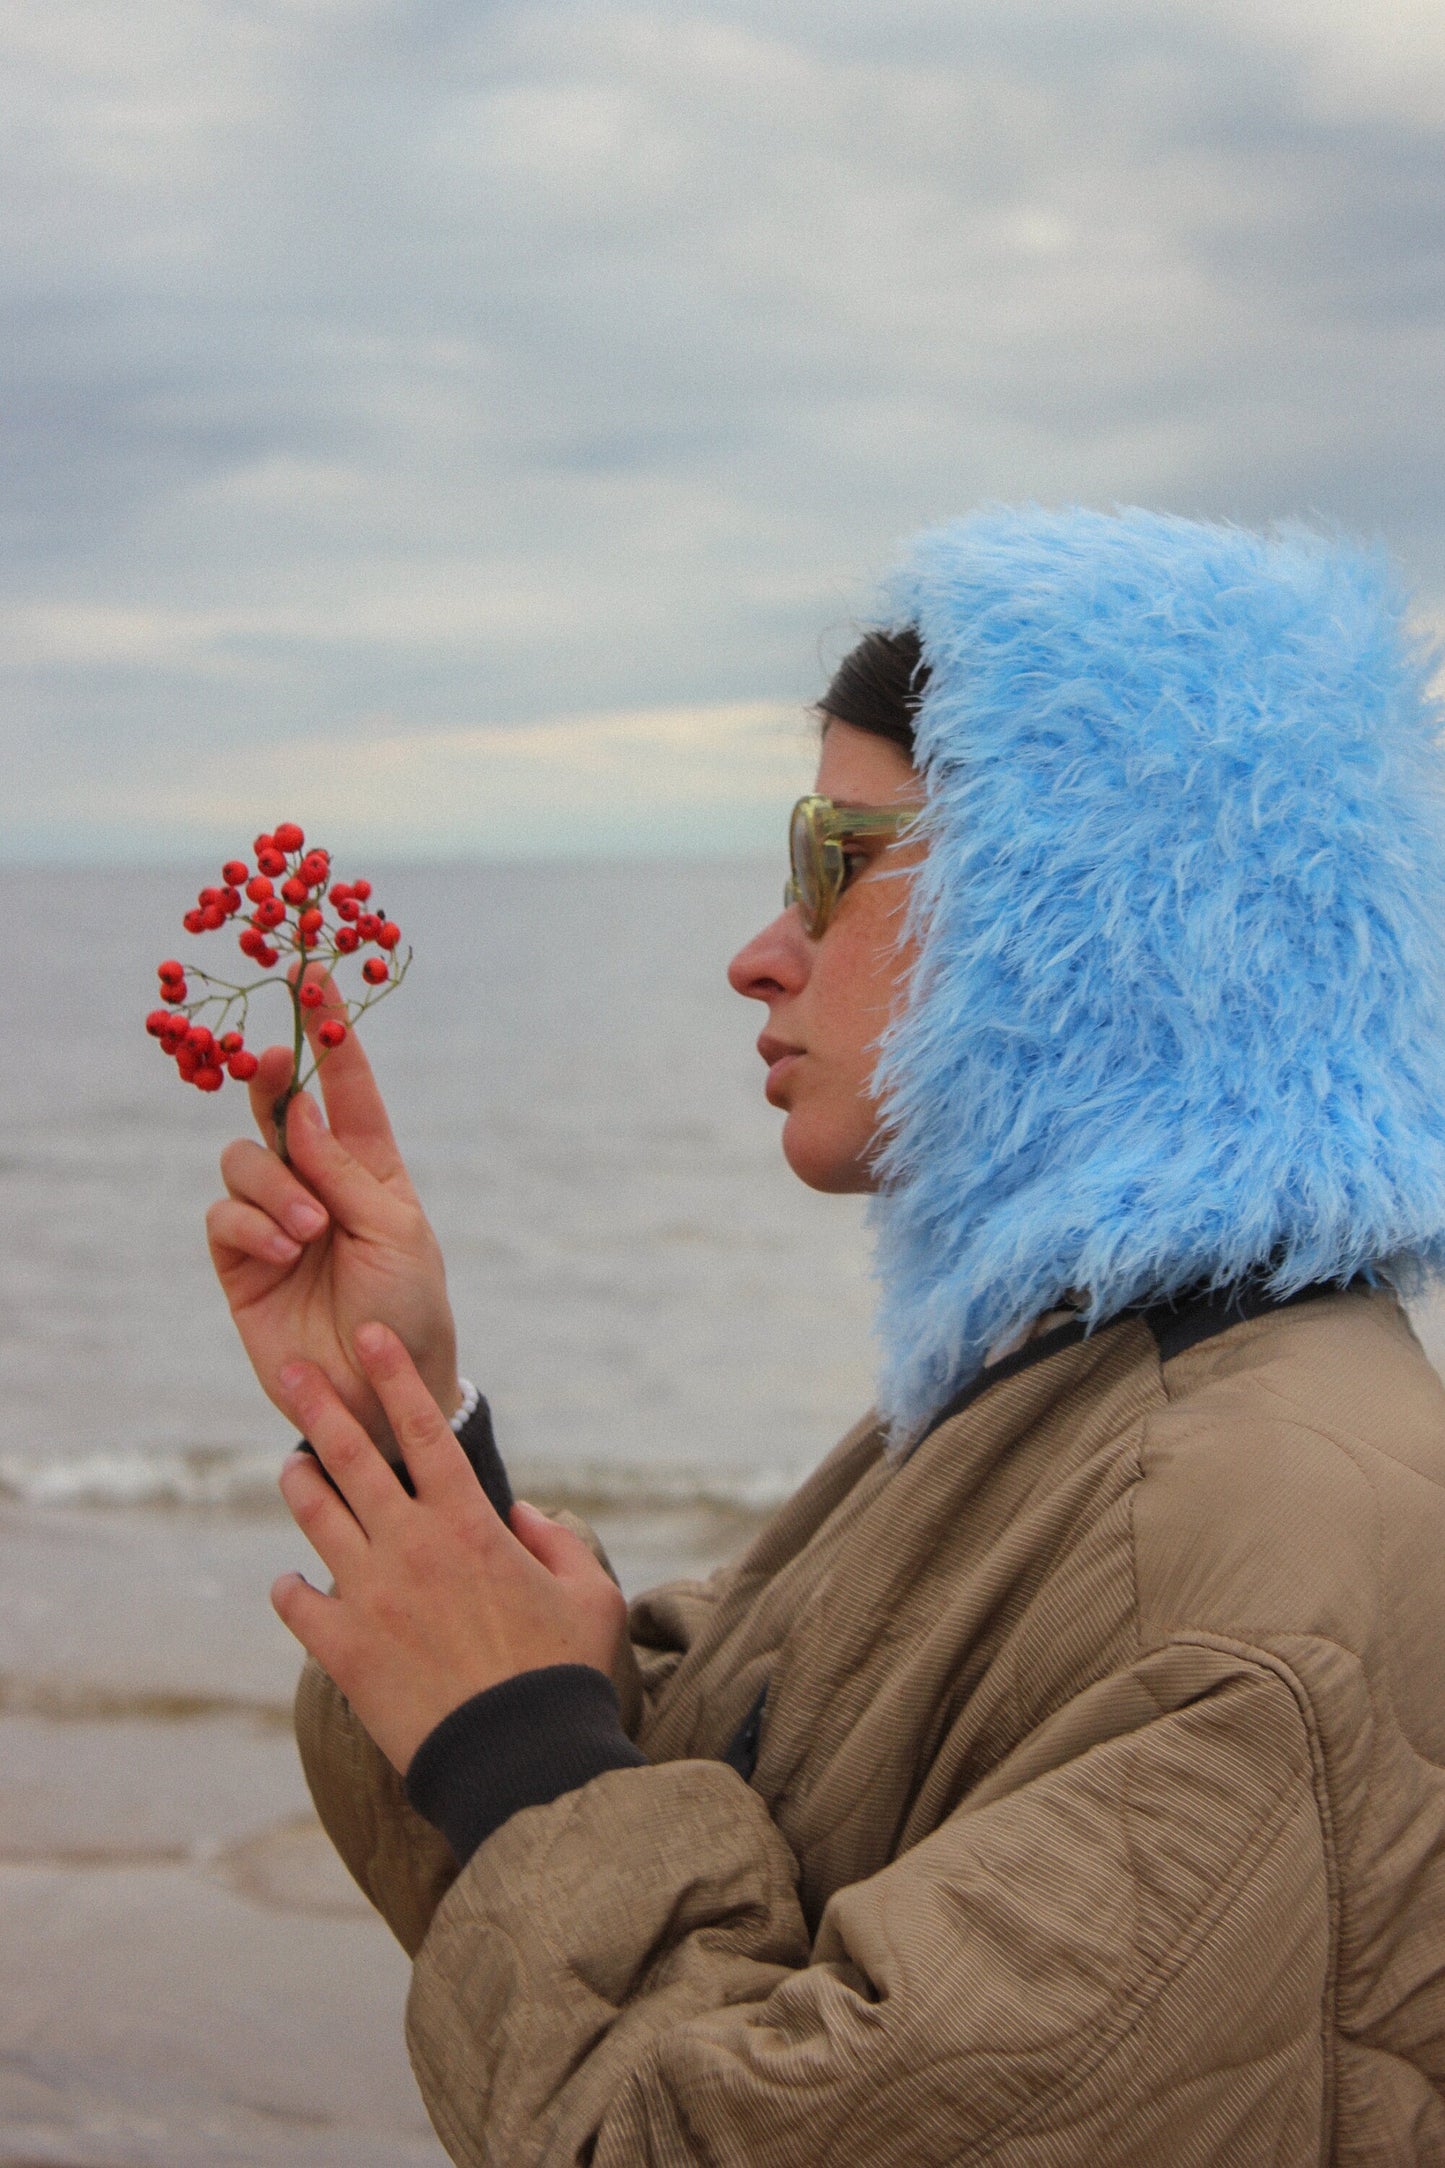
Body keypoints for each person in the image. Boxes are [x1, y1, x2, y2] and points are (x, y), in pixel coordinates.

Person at [207, 506, 1445, 2165]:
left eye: (830, 862)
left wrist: (519, 1745)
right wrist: (401, 1405)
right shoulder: (1077, 1382)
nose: (755, 952)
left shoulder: (1232, 1547)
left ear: (1087, 929)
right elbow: (719, 1791)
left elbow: (713, 2131)